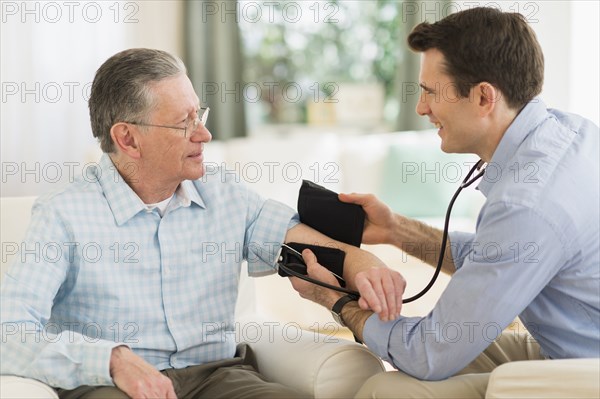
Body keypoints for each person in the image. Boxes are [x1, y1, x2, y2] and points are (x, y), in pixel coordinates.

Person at [0, 48, 406, 399]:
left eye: (200, 114)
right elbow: (8, 334)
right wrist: (111, 359)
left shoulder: (222, 192)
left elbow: (297, 239)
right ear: (127, 139)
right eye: (184, 123)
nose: (205, 134)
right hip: (115, 386)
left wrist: (361, 264)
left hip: (219, 377)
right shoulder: (62, 215)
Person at [291, 6, 599, 397]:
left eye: (431, 93)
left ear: (484, 97)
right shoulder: (573, 133)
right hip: (577, 349)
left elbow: (429, 354)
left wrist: (337, 302)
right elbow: (500, 257)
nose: (421, 109)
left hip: (588, 376)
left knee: (388, 391)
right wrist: (396, 230)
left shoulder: (527, 203)